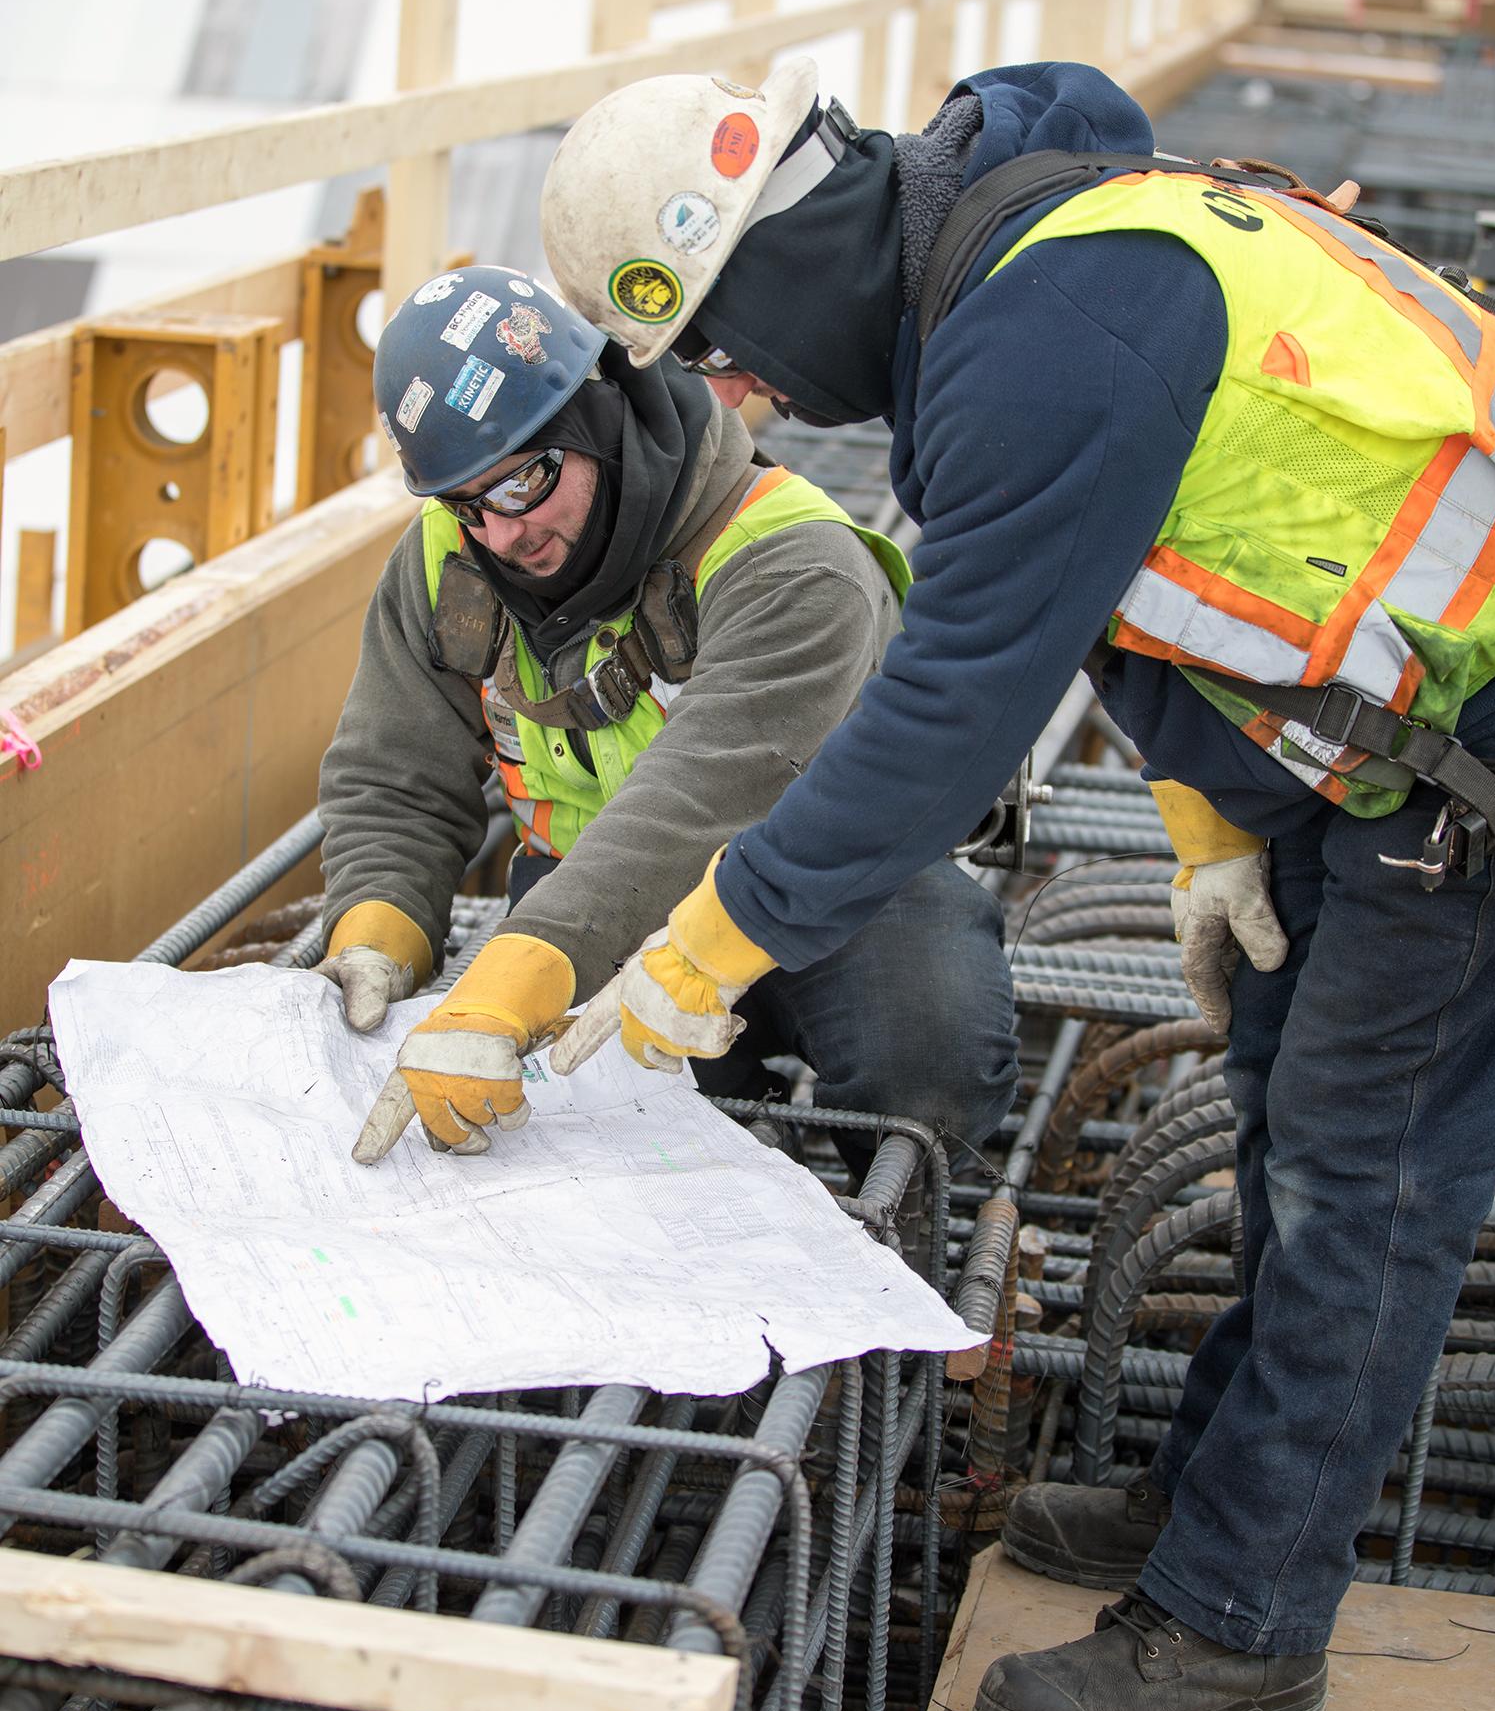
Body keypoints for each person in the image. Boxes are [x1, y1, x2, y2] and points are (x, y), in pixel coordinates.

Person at [538, 58, 1495, 1711]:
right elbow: (1148, 579)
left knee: (1368, 1176)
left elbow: (956, 696)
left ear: (759, 251)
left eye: (705, 338)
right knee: (1288, 1123)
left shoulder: (1045, 325)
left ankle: (1238, 1624)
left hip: (1469, 766)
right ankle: (1213, 1508)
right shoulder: (1030, 264)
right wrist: (1210, 825)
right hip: (1385, 757)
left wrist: (712, 940)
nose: (729, 389)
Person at [315, 262, 1018, 1180]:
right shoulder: (455, 556)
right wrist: (377, 932)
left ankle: (891, 1252)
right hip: (591, 905)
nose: (502, 536)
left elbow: (698, 798)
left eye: (526, 482)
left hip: (834, 898)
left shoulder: (789, 561)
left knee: (927, 1068)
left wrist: (518, 979)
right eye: (465, 503)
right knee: (584, 1145)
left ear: (600, 423)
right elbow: (393, 772)